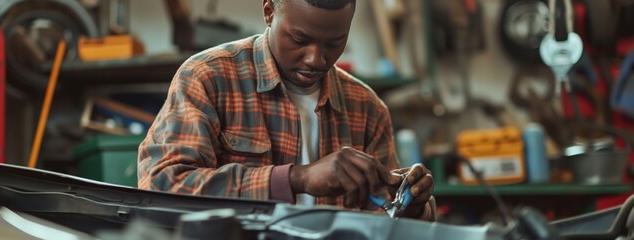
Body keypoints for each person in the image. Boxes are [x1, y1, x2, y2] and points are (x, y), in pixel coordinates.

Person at [138, 0, 435, 220]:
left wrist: (413, 206)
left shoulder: (367, 108)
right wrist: (297, 179)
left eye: (335, 42)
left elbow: (384, 221)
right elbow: (163, 187)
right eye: (300, 39)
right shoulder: (208, 78)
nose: (315, 59)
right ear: (269, 10)